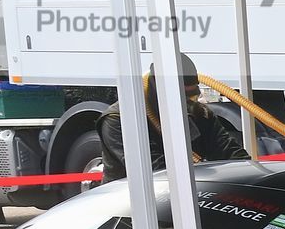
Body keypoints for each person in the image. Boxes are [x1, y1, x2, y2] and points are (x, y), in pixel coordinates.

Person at [99, 52, 248, 182]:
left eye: (192, 95)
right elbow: (157, 172)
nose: (188, 102)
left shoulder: (199, 114)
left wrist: (249, 172)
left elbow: (229, 151)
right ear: (162, 91)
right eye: (183, 96)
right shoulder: (120, 120)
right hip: (129, 203)